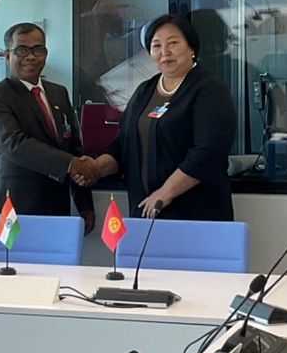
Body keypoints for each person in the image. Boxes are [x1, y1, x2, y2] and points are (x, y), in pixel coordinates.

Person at [82, 14, 237, 220]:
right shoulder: (144, 91)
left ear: (191, 47)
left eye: (173, 43)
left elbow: (208, 153)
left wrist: (165, 193)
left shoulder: (210, 90)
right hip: (145, 209)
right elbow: (124, 146)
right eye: (156, 46)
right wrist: (95, 168)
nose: (165, 52)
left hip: (196, 212)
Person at [0, 22, 98, 234]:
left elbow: (73, 147)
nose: (31, 56)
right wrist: (70, 164)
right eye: (21, 50)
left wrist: (84, 203)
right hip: (14, 207)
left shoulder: (58, 93)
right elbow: (15, 144)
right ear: (7, 55)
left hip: (56, 207)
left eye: (38, 49)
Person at [73, 0, 124, 105]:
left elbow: (117, 31)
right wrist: (91, 15)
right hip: (78, 57)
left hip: (98, 55)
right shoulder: (74, 1)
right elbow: (67, 23)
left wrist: (115, 14)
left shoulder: (103, 3)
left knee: (107, 90)